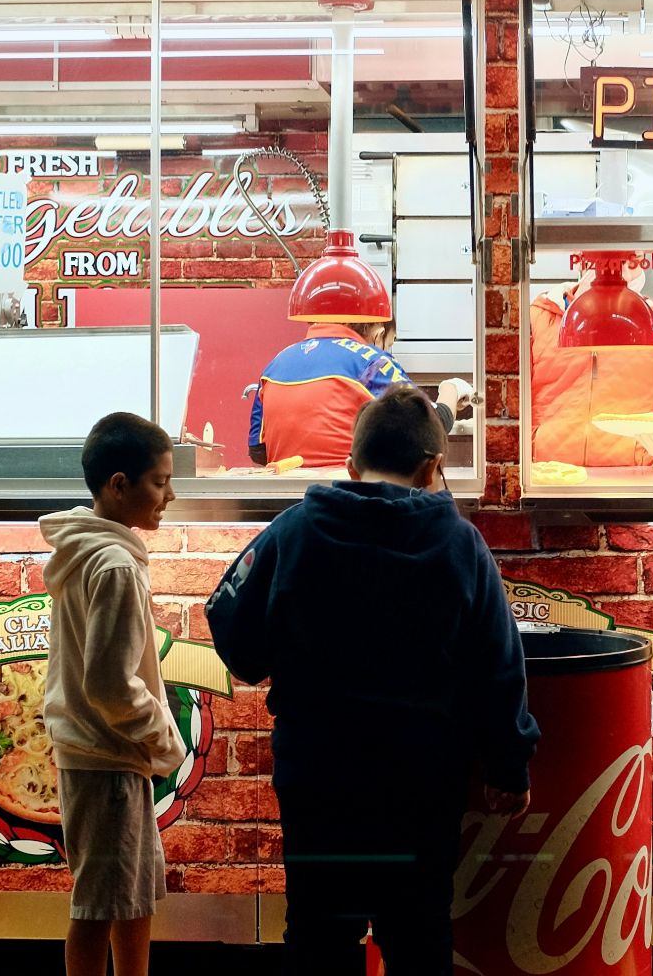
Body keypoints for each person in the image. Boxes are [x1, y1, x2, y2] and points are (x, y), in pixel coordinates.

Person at [206, 384, 539, 975]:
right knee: (418, 932)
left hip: (318, 776)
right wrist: (509, 765)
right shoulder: (461, 543)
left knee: (317, 933)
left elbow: (233, 634)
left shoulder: (295, 530)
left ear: (351, 464)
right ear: (434, 467)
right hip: (422, 780)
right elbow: (498, 664)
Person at [39, 412, 188, 976]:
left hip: (105, 754)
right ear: (118, 484)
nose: (169, 495)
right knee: (99, 905)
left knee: (134, 893)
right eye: (160, 481)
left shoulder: (90, 551)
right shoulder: (117, 565)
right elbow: (110, 684)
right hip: (107, 755)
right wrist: (164, 736)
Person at [528, 256, 653, 466]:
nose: (623, 275)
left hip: (632, 483)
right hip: (549, 479)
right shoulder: (535, 321)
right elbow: (509, 411)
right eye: (612, 263)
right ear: (584, 263)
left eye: (633, 264)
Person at [247, 317, 470, 467]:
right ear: (378, 335)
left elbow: (258, 451)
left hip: (286, 509)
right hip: (351, 505)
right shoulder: (371, 361)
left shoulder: (275, 364)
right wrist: (452, 389)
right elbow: (433, 425)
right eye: (388, 343)